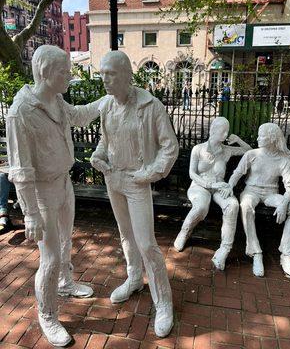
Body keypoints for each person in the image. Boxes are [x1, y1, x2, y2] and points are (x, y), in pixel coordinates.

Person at [6, 45, 102, 347]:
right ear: (46, 72)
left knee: (64, 241)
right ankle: (47, 315)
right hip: (42, 192)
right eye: (64, 70)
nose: (69, 75)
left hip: (63, 184)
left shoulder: (57, 101)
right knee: (48, 258)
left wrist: (110, 97)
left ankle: (65, 283)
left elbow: (81, 116)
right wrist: (30, 213)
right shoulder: (20, 112)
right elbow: (20, 168)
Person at [90, 51, 179, 338]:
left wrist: (150, 173)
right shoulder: (106, 107)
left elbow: (169, 147)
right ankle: (133, 279)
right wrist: (98, 155)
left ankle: (163, 301)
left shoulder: (151, 106)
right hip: (113, 178)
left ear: (127, 75)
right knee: (126, 236)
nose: (105, 79)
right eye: (102, 73)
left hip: (138, 181)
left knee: (146, 243)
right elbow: (106, 140)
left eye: (111, 74)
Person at [174, 117, 251, 270]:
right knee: (201, 207)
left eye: (227, 131)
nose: (226, 134)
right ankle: (184, 232)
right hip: (199, 186)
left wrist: (238, 140)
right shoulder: (198, 149)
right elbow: (192, 174)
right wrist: (209, 184)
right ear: (213, 130)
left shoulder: (227, 150)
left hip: (219, 187)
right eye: (223, 131)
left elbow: (248, 151)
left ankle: (224, 249)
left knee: (233, 205)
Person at [228, 123, 290, 278]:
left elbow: (289, 187)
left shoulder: (284, 160)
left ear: (272, 138)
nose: (257, 138)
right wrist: (229, 187)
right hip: (251, 191)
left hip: (270, 194)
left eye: (262, 136)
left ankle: (286, 255)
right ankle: (255, 252)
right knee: (246, 204)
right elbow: (237, 173)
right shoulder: (252, 154)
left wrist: (283, 204)